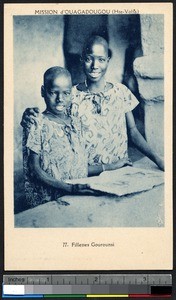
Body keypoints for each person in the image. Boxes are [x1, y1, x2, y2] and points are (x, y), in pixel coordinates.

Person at [21, 35, 164, 174]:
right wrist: (30, 116)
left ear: (108, 60)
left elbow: (133, 132)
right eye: (89, 59)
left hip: (120, 169)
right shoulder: (71, 95)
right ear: (82, 59)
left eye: (101, 60)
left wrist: (158, 159)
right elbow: (50, 119)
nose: (95, 66)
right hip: (85, 173)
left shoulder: (121, 92)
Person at [23, 66, 131, 208]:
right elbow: (34, 169)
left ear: (72, 94)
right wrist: (69, 188)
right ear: (43, 91)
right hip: (49, 202)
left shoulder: (76, 122)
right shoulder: (37, 122)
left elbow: (79, 167)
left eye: (66, 93)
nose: (60, 99)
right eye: (53, 92)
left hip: (75, 197)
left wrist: (113, 166)